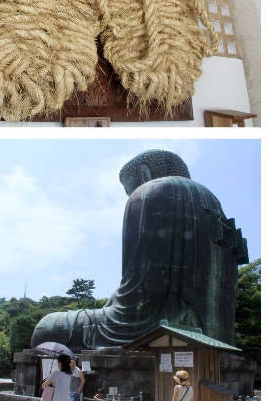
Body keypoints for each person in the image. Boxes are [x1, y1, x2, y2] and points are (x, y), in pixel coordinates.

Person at [31, 150, 247, 350]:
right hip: (217, 335)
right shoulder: (214, 203)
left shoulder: (148, 193)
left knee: (46, 326)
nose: (129, 194)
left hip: (143, 324)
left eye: (128, 188)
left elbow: (139, 288)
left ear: (144, 173)